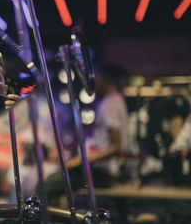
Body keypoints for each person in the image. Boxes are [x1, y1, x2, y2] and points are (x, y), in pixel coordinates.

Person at [46, 63, 129, 205]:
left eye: (96, 76)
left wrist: (82, 161)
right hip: (102, 170)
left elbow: (116, 147)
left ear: (104, 78)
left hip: (102, 173)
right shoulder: (114, 100)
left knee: (45, 187)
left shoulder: (111, 103)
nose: (93, 80)